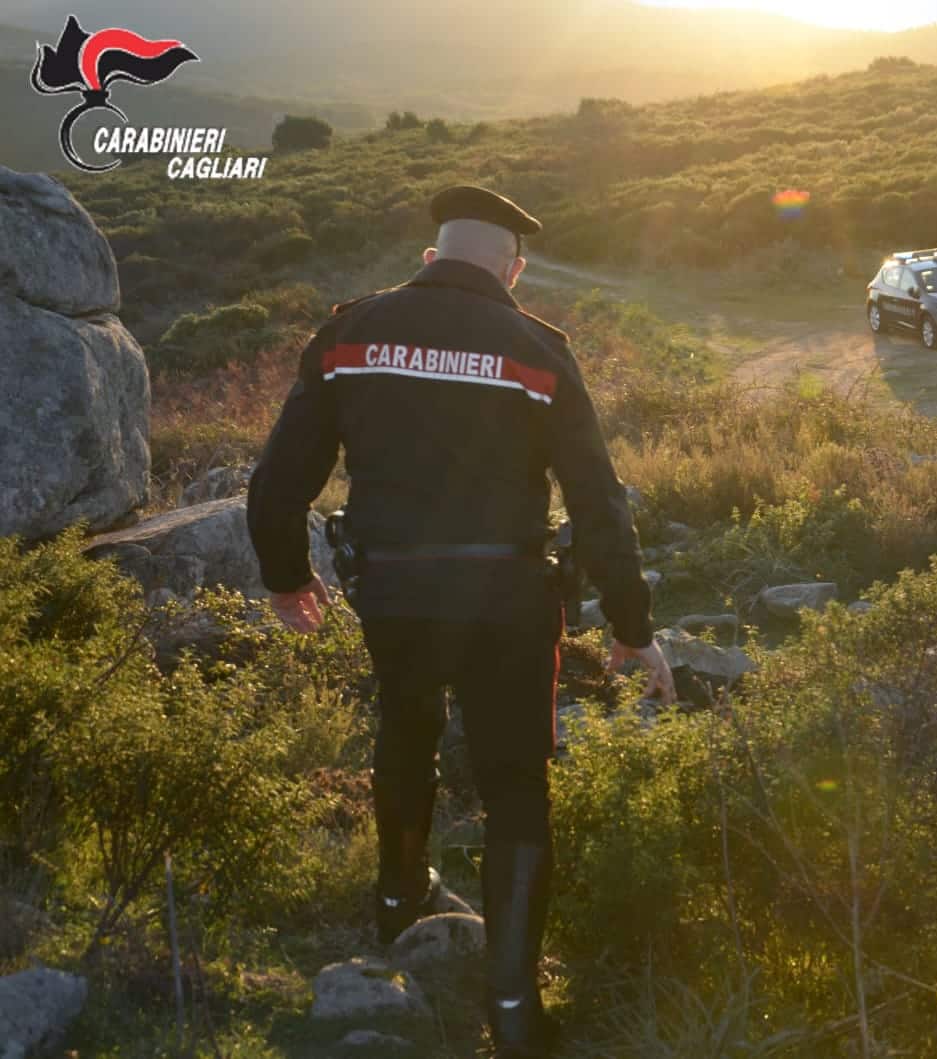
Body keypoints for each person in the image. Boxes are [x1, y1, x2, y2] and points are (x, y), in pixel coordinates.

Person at [246, 184, 676, 1057]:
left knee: (405, 730)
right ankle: (513, 1009)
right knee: (516, 784)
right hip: (510, 605)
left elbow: (277, 481)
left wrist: (286, 576)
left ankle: (398, 902)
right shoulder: (539, 351)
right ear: (512, 269)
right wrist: (633, 626)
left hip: (393, 595)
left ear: (431, 256)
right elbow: (599, 504)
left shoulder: (349, 334)